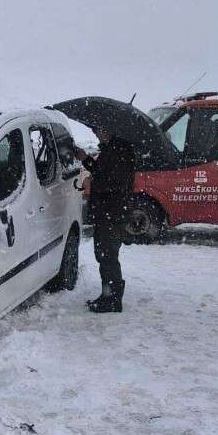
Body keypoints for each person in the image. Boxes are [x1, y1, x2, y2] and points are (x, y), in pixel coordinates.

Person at [74, 130, 135, 313]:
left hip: (112, 213)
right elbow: (104, 173)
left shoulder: (120, 152)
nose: (96, 133)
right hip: (108, 213)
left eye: (98, 130)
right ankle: (108, 295)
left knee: (107, 255)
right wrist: (86, 159)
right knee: (104, 254)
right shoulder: (113, 150)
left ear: (108, 129)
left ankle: (113, 299)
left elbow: (114, 183)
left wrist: (92, 184)